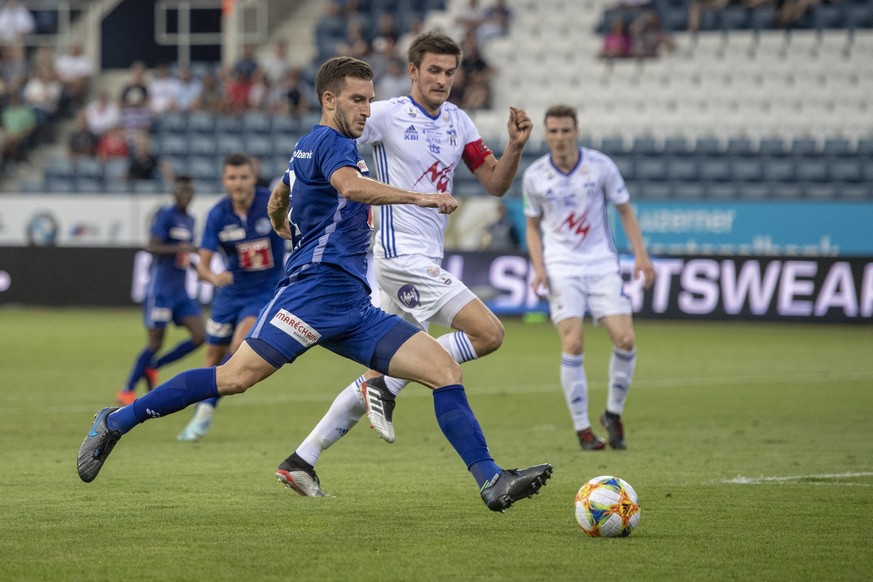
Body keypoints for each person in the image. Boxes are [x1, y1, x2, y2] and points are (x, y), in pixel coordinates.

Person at [78, 56, 552, 513]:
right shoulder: (335, 145)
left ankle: (492, 480)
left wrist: (281, 218)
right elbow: (349, 187)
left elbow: (281, 190)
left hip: (353, 305)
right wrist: (419, 197)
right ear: (330, 100)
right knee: (234, 378)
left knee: (444, 371)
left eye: (370, 100)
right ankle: (115, 421)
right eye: (357, 100)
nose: (367, 109)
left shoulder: (308, 144)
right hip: (309, 297)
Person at [276, 31, 535, 499]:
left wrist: (514, 146)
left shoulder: (459, 121)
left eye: (449, 72)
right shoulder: (385, 114)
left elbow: (495, 183)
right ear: (413, 71)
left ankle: (302, 460)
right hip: (398, 257)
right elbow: (330, 139)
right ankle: (399, 395)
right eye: (432, 70)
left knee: (381, 367)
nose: (441, 80)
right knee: (488, 333)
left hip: (420, 258)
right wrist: (292, 186)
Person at [522, 104, 655, 451]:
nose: (560, 137)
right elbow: (532, 226)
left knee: (625, 340)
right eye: (553, 131)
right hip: (561, 266)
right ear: (547, 134)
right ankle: (583, 429)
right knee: (573, 343)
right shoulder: (535, 175)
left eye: (566, 130)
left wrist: (640, 254)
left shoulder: (601, 167)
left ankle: (612, 413)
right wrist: (539, 267)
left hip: (601, 265)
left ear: (576, 132)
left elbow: (625, 210)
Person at [174, 152, 285, 442]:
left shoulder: (272, 202)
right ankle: (203, 410)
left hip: (264, 292)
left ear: (253, 177)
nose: (239, 183)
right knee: (212, 355)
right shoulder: (218, 214)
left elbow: (295, 230)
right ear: (224, 180)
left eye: (244, 177)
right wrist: (213, 277)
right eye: (233, 178)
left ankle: (205, 410)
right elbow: (203, 265)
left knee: (239, 344)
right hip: (230, 293)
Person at [116, 176, 205, 406]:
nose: (186, 193)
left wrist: (196, 266)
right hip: (161, 291)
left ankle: (155, 366)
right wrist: (180, 247)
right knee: (155, 343)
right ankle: (127, 388)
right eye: (182, 189)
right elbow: (151, 246)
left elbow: (182, 253)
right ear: (174, 192)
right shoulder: (165, 215)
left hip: (181, 292)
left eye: (189, 189)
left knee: (200, 336)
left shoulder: (190, 219)